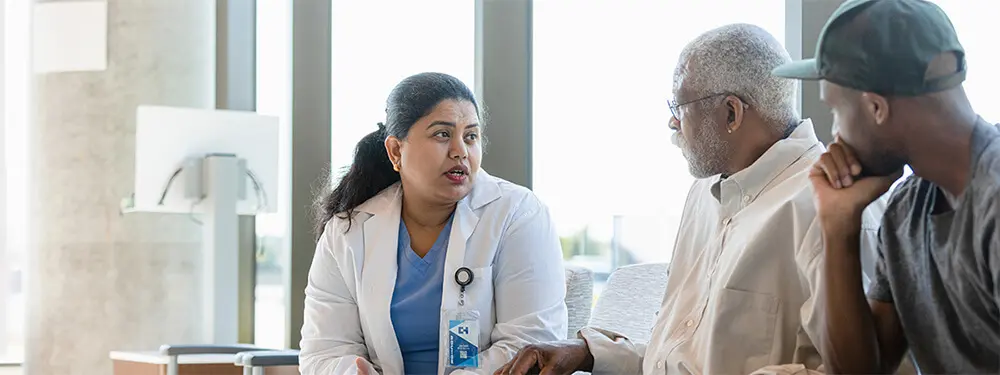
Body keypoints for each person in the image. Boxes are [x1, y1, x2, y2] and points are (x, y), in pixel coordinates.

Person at [496, 24, 885, 375]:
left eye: (679, 107)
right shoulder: (705, 194)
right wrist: (586, 352)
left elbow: (859, 369)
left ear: (731, 113)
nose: (672, 122)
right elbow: (681, 358)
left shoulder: (834, 206)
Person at [771, 0, 1000, 373]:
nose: (834, 135)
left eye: (834, 111)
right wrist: (838, 226)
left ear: (877, 108)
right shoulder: (907, 210)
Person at [299, 72, 568, 375]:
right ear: (396, 151)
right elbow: (324, 350)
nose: (460, 151)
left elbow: (531, 344)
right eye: (442, 134)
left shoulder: (518, 214)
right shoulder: (348, 231)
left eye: (471, 136)